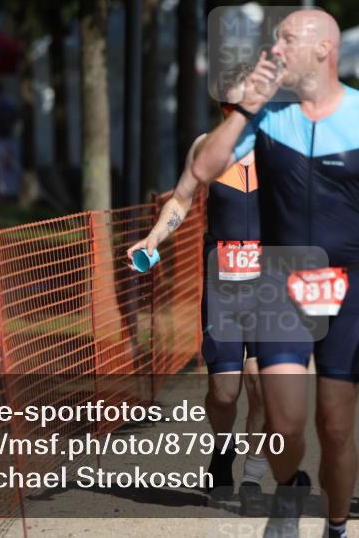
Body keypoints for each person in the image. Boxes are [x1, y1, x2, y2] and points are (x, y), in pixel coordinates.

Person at [191, 9, 359, 538]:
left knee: (335, 426)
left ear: (323, 49)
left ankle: (337, 524)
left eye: (286, 41)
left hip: (344, 285)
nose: (274, 50)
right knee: (282, 424)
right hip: (279, 281)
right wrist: (244, 110)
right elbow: (203, 169)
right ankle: (289, 490)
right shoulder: (267, 117)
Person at [126, 65, 269, 516]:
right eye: (226, 105)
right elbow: (182, 199)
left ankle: (253, 471)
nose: (234, 113)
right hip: (223, 283)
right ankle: (222, 452)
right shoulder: (206, 148)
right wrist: (153, 237)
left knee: (262, 383)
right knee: (224, 392)